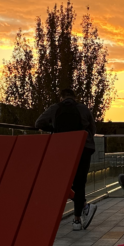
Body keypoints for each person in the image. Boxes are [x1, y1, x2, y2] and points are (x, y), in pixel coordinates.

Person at [35, 88, 97, 231]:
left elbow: (38, 123)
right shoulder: (83, 109)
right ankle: (77, 220)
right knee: (80, 182)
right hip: (83, 148)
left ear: (61, 97)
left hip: (63, 150)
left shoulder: (55, 108)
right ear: (74, 97)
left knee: (62, 183)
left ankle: (83, 207)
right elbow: (93, 130)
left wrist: (55, 130)